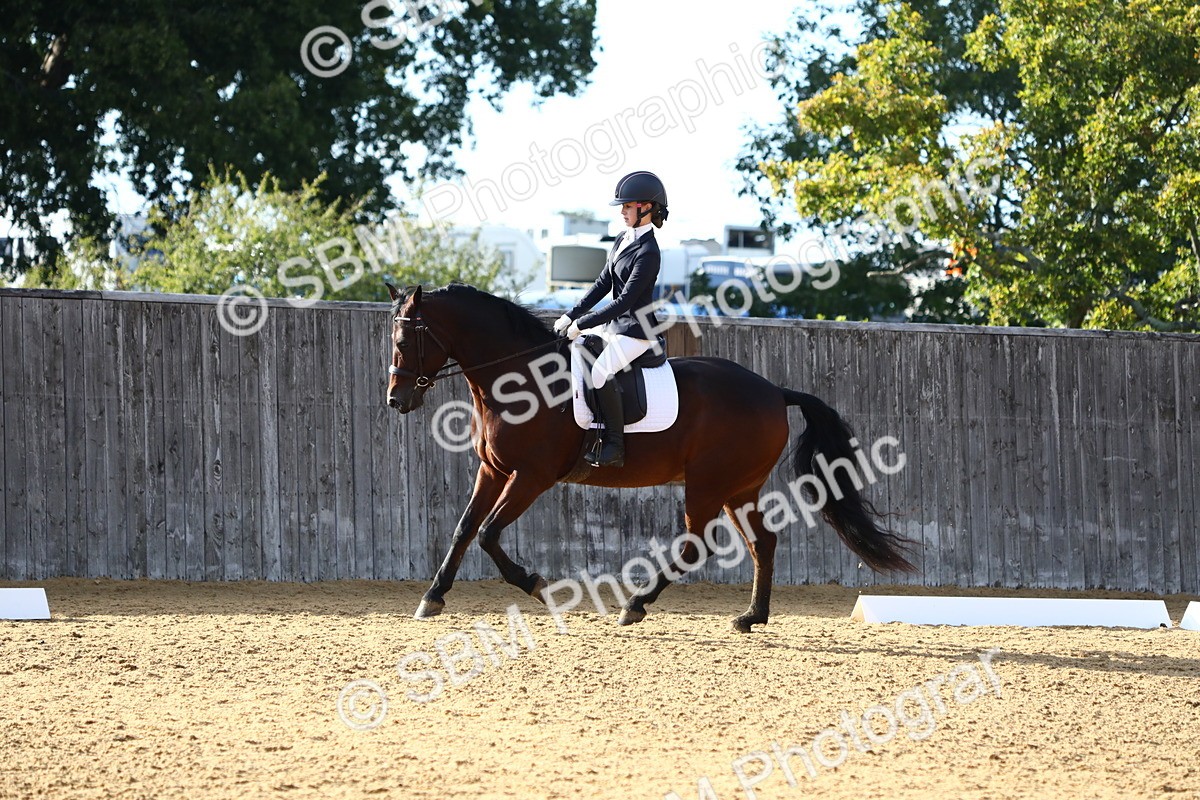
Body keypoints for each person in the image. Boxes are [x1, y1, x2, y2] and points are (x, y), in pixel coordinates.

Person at [554, 170, 669, 468]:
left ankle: (615, 446)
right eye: (623, 206)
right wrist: (571, 314)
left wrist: (583, 323)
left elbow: (624, 302)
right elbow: (603, 284)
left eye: (628, 206)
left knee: (601, 372)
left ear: (646, 208)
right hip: (614, 327)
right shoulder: (622, 239)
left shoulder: (649, 252)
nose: (622, 211)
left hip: (636, 331)